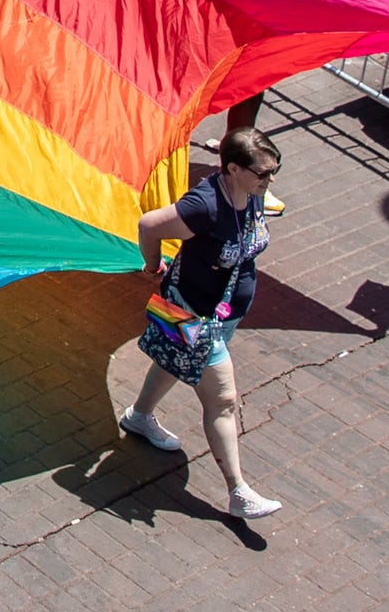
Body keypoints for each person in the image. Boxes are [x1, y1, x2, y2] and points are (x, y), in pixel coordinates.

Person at [111, 128, 285, 519]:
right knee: (222, 401)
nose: (270, 180)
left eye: (274, 171)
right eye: (263, 173)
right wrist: (153, 265)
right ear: (233, 169)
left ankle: (139, 417)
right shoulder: (204, 206)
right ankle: (238, 491)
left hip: (223, 316)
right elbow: (150, 225)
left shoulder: (253, 194)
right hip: (193, 315)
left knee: (172, 365)